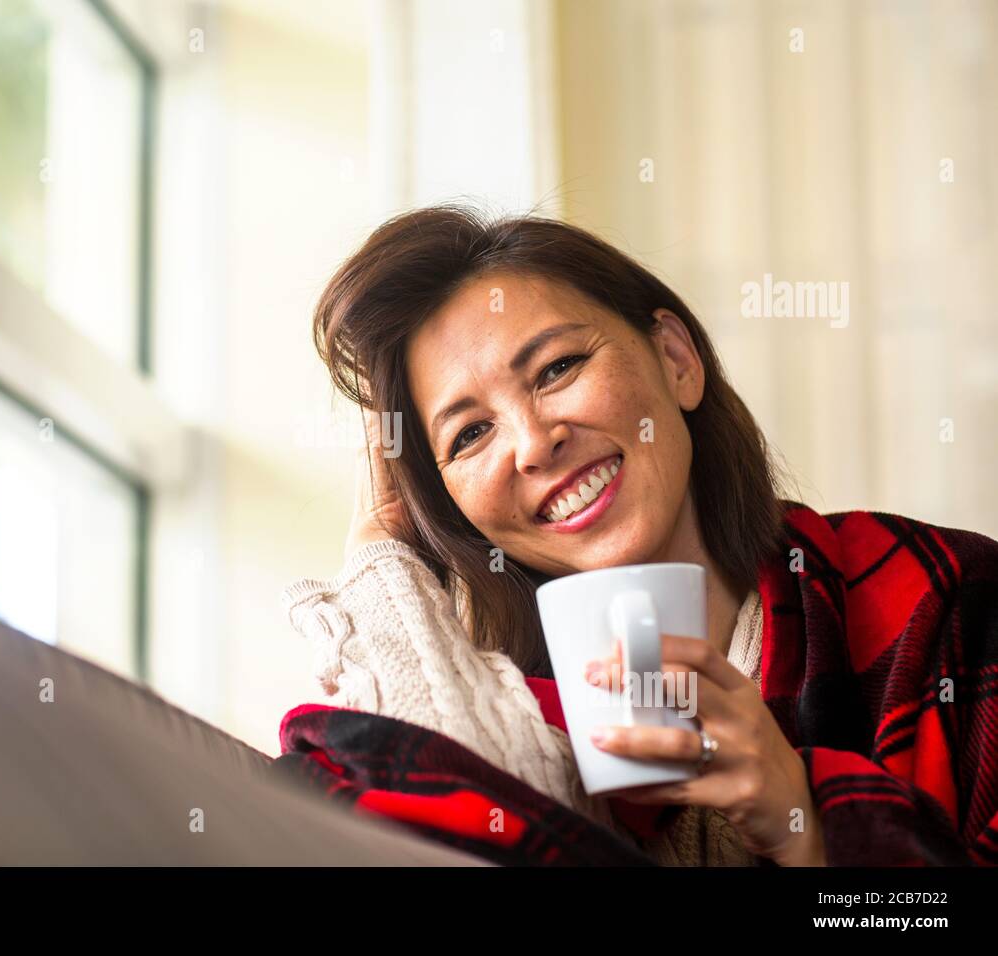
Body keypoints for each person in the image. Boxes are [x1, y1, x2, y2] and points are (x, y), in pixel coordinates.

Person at [273, 204, 998, 867]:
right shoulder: (503, 710)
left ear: (676, 361)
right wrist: (383, 560)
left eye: (557, 368)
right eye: (470, 434)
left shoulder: (954, 603)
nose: (532, 443)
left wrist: (805, 825)